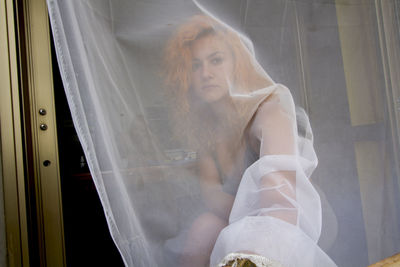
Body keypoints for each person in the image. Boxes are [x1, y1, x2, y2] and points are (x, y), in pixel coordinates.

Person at [164, 14, 322, 267]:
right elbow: (212, 197)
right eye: (195, 66)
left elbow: (281, 207)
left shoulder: (269, 111)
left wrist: (245, 243)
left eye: (216, 60)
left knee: (235, 238)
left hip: (292, 220)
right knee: (202, 230)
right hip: (239, 220)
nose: (205, 73)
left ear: (237, 64)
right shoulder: (205, 129)